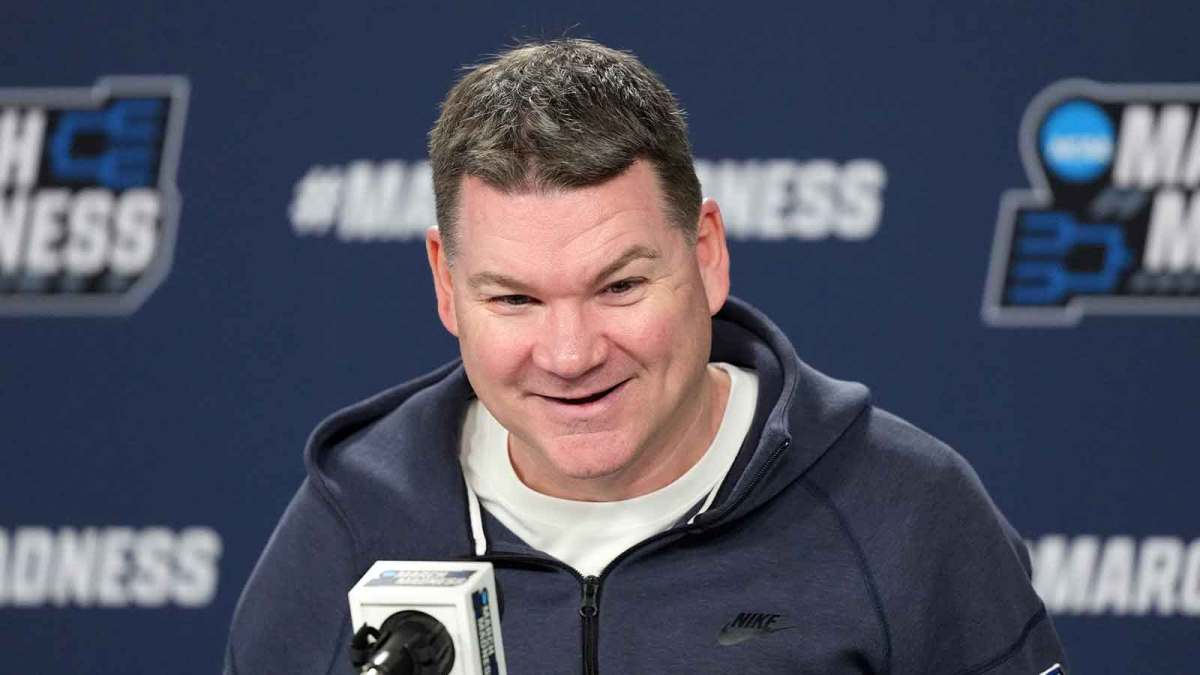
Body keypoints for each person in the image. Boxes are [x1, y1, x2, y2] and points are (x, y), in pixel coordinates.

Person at [225, 39, 1068, 674]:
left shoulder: (905, 513)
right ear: (446, 284)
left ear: (706, 254)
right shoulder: (353, 527)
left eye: (620, 286)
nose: (570, 353)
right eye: (514, 299)